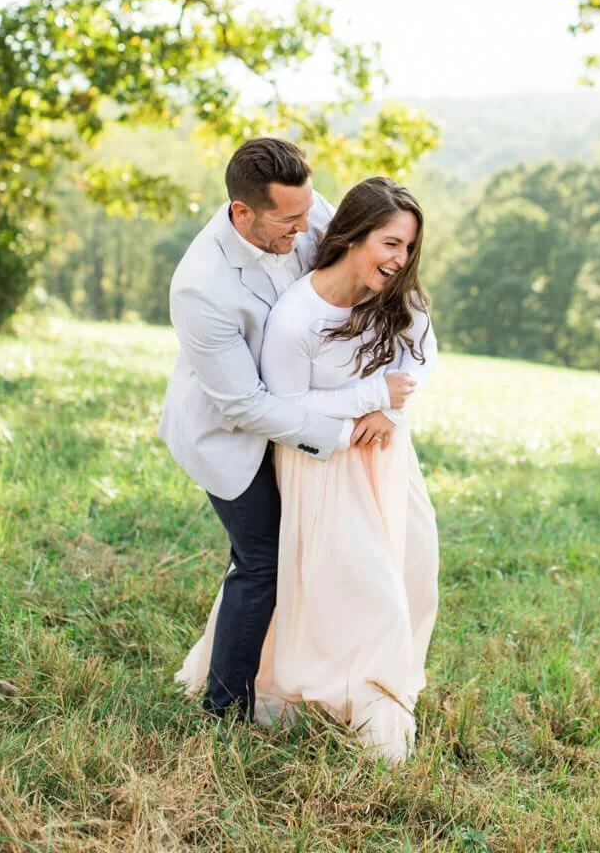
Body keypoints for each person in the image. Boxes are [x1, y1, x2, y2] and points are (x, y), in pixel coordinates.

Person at [177, 177, 439, 763]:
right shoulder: (258, 304)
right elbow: (270, 404)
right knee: (303, 572)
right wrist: (370, 400)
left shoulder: (355, 252)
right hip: (299, 454)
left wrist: (396, 410)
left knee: (415, 564)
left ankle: (381, 678)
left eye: (408, 247)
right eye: (390, 244)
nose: (400, 259)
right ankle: (358, 700)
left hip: (385, 457)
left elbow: (421, 351)